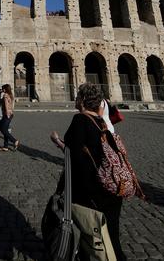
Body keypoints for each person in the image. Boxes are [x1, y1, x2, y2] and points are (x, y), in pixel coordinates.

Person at [55, 83, 129, 260]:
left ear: (82, 101)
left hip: (91, 191)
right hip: (112, 189)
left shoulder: (80, 120)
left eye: (78, 96)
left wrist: (57, 141)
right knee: (112, 239)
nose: (75, 99)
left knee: (85, 236)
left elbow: (73, 153)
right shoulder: (104, 123)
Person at [0, 84, 20, 152]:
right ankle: (5, 146)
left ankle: (15, 141)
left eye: (3, 88)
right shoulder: (11, 95)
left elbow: (6, 105)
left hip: (7, 114)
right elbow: (12, 105)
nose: (2, 89)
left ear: (5, 89)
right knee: (5, 129)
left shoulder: (5, 95)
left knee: (3, 129)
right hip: (11, 113)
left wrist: (7, 113)